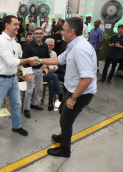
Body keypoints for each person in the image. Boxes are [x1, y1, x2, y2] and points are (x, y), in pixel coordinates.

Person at [40, 17, 97, 157]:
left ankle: (64, 149)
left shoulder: (80, 49)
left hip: (80, 93)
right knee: (62, 112)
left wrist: (73, 98)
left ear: (71, 31)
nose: (61, 32)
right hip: (72, 89)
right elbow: (59, 60)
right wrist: (40, 60)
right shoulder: (73, 45)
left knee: (65, 120)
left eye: (63, 30)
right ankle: (64, 135)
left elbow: (87, 77)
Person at [0, 15, 39, 143]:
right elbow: (11, 62)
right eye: (15, 24)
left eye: (18, 24)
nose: (18, 26)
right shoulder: (0, 42)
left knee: (17, 104)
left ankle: (16, 126)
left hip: (13, 78)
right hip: (0, 79)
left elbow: (18, 64)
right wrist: (29, 59)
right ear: (7, 25)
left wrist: (27, 72)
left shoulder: (14, 43)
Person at [22, 27, 50, 118]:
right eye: (37, 33)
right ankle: (26, 108)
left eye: (40, 33)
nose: (39, 35)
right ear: (34, 35)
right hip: (30, 70)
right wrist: (27, 73)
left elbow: (47, 59)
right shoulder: (28, 45)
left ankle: (34, 104)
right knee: (29, 90)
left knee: (38, 88)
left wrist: (47, 68)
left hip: (39, 70)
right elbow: (23, 61)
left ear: (43, 35)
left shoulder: (45, 45)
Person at [43, 38, 63, 111]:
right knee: (55, 76)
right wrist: (47, 69)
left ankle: (50, 102)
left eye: (50, 45)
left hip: (51, 74)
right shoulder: (41, 52)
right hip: (42, 74)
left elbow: (56, 65)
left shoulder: (54, 53)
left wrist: (55, 68)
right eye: (47, 45)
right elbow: (38, 66)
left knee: (51, 82)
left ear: (53, 46)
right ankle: (60, 94)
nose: (48, 46)